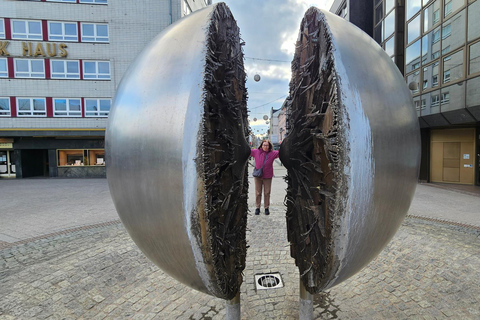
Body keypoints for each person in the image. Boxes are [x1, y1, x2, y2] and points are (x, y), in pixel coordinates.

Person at [250, 140, 279, 215]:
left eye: (267, 145)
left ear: (269, 146)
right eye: (264, 145)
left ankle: (266, 207)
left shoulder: (273, 153)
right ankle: (257, 207)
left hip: (267, 176)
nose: (265, 147)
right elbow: (247, 151)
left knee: (267, 192)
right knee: (258, 192)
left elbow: (281, 153)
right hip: (258, 175)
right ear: (261, 146)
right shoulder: (256, 152)